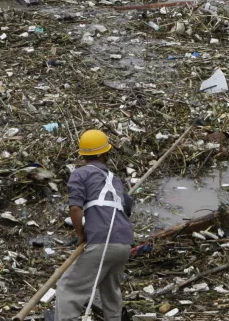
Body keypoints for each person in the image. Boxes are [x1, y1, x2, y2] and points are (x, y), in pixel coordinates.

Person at [56, 130, 135, 321]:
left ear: (83, 154)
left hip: (102, 240)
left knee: (68, 289)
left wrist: (81, 234)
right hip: (124, 242)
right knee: (110, 290)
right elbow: (127, 206)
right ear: (102, 154)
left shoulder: (79, 174)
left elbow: (75, 208)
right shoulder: (113, 178)